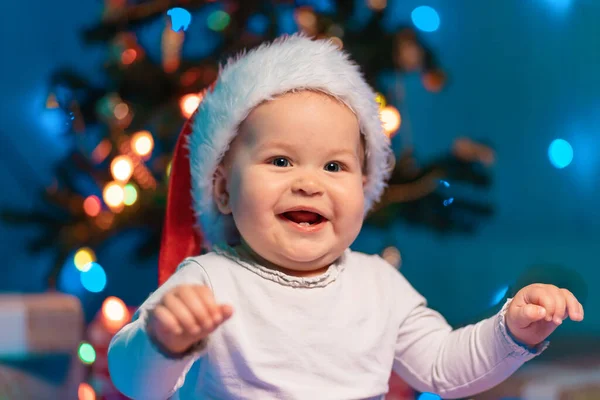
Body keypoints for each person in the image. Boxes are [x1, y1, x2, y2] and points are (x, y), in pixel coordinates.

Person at [107, 34, 584, 400]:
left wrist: (514, 332)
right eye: (280, 161)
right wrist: (164, 342)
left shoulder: (378, 284)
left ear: (364, 187)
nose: (309, 183)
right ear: (223, 190)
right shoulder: (207, 282)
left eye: (334, 166)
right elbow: (135, 383)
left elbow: (445, 365)